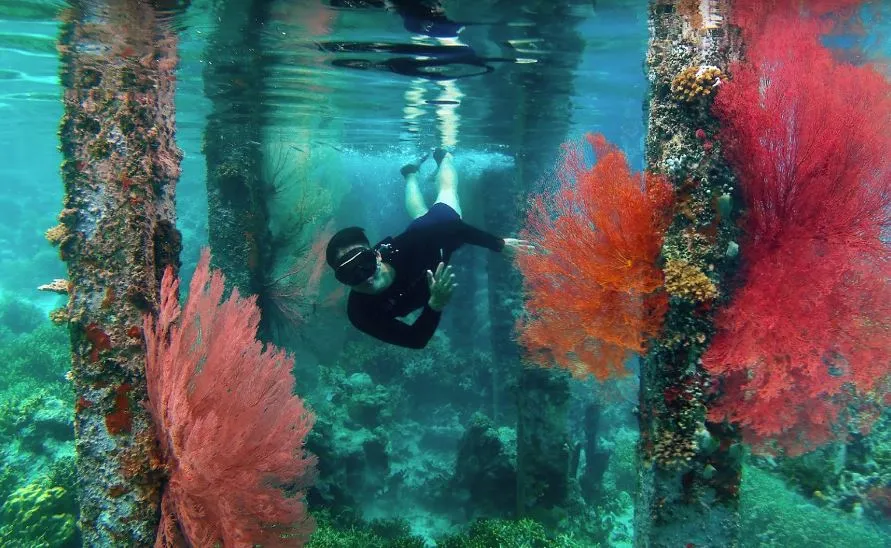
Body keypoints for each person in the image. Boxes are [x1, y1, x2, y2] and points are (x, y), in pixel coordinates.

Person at [326, 148, 531, 349]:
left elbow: (454, 228)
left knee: (448, 197)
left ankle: (444, 157)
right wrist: (435, 304)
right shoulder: (360, 313)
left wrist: (499, 245)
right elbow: (415, 340)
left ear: (377, 257)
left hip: (434, 239)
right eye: (350, 275)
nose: (365, 278)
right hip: (424, 242)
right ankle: (411, 174)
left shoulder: (409, 244)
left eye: (366, 265)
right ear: (343, 281)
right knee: (421, 217)